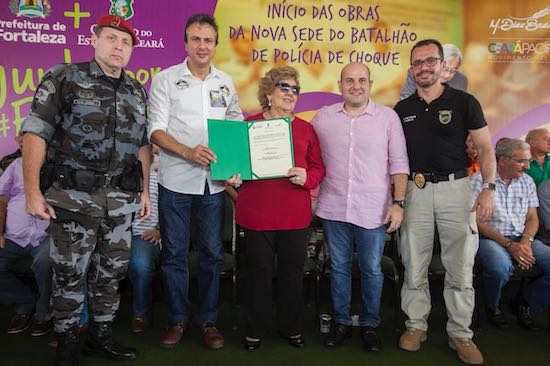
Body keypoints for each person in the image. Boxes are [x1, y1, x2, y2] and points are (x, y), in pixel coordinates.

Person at [21, 14, 150, 365]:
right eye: (111, 38)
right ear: (95, 40)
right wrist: (32, 191)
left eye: (126, 43)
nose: (119, 47)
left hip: (121, 201)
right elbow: (36, 132)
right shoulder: (64, 77)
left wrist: (145, 191)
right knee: (69, 272)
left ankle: (100, 336)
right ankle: (67, 342)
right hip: (74, 198)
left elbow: (142, 146)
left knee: (112, 273)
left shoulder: (136, 90)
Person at [394, 39, 496, 365]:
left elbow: (485, 148)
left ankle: (460, 334)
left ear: (443, 66)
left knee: (461, 265)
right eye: (417, 63)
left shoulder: (465, 102)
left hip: (457, 189)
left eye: (429, 61)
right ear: (412, 70)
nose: (423, 67)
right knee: (413, 261)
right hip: (414, 190)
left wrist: (488, 188)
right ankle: (415, 325)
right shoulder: (402, 109)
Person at [147, 13, 243, 350]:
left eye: (208, 40)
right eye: (196, 39)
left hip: (214, 186)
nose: (202, 45)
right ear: (186, 43)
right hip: (175, 182)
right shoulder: (166, 79)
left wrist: (234, 165)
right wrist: (188, 152)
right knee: (173, 254)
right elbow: (155, 130)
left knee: (212, 255)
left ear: (215, 45)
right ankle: (176, 319)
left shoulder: (225, 82)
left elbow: (235, 125)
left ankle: (208, 320)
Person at [312, 62, 409, 352]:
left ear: (370, 84)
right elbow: (309, 155)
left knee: (371, 269)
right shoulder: (323, 118)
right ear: (339, 85)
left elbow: (399, 164)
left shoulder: (388, 118)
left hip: (374, 209)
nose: (356, 85)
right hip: (334, 207)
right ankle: (341, 322)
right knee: (339, 267)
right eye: (350, 80)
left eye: (362, 80)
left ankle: (369, 324)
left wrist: (399, 203)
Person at [235, 66, 324, 350]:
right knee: (258, 273)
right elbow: (234, 166)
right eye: (284, 87)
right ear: (269, 94)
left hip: (294, 214)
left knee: (292, 273)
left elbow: (318, 168)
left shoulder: (306, 128)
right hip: (257, 213)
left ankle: (291, 326)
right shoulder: (249, 125)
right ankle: (255, 328)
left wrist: (307, 178)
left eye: (295, 89)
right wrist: (233, 176)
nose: (290, 94)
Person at [473, 138, 550, 331]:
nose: (526, 166)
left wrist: (525, 241)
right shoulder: (478, 180)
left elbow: (533, 218)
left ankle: (524, 301)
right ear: (502, 160)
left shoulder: (527, 181)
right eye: (521, 161)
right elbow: (477, 222)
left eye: (528, 161)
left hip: (523, 238)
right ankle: (493, 307)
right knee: (499, 267)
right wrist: (509, 245)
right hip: (490, 239)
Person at [0, 152, 52, 336]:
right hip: (14, 235)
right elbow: (2, 199)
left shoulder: (59, 163)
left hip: (47, 236)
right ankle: (24, 303)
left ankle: (44, 313)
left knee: (44, 263)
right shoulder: (16, 165)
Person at [128, 145, 161, 333]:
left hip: (145, 233)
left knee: (140, 264)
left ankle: (140, 313)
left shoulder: (159, 174)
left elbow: (171, 207)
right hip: (117, 233)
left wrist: (160, 229)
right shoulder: (118, 175)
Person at [400, 43, 468, 100]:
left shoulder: (461, 80)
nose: (447, 75)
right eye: (445, 69)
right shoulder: (418, 73)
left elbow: (461, 106)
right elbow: (405, 100)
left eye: (453, 71)